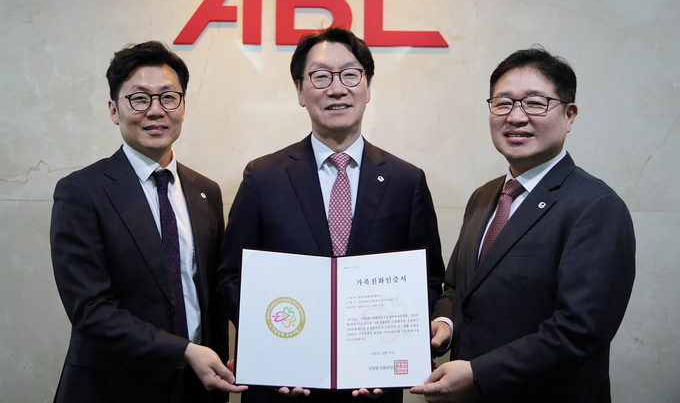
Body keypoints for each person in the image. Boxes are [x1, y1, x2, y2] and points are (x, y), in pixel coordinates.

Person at [218, 26, 445, 403]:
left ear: (368, 87)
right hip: (283, 383)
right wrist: (271, 345)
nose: (337, 89)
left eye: (350, 75)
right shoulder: (262, 177)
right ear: (299, 91)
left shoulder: (407, 180)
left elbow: (429, 278)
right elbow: (230, 277)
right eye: (321, 76)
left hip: (372, 387)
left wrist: (396, 347)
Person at [410, 47, 636, 403]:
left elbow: (580, 331)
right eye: (503, 103)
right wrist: (445, 324)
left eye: (535, 103)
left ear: (569, 115)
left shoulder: (596, 206)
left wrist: (479, 374)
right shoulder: (484, 196)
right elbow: (457, 288)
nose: (516, 117)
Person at [50, 41, 247, 402]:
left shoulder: (205, 191)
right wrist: (183, 350)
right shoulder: (81, 191)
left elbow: (212, 299)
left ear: (183, 106)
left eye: (169, 98)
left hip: (196, 387)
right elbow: (90, 311)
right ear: (114, 110)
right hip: (113, 388)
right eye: (139, 99)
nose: (156, 111)